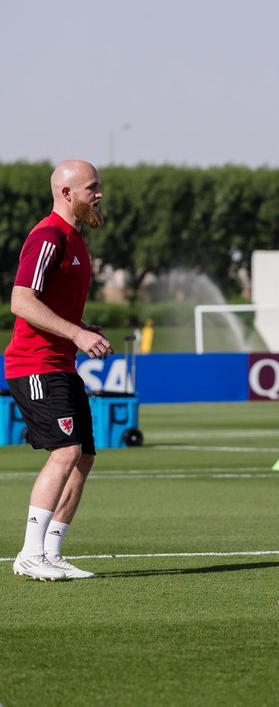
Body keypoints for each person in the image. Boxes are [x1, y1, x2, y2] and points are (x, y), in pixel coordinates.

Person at [7, 160, 112, 581]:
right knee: (65, 452)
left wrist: (81, 329)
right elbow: (21, 301)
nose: (99, 194)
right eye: (92, 188)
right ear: (66, 193)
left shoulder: (77, 240)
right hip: (34, 365)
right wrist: (76, 334)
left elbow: (50, 304)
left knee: (83, 456)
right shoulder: (49, 235)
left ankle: (50, 552)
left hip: (60, 365)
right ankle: (30, 553)